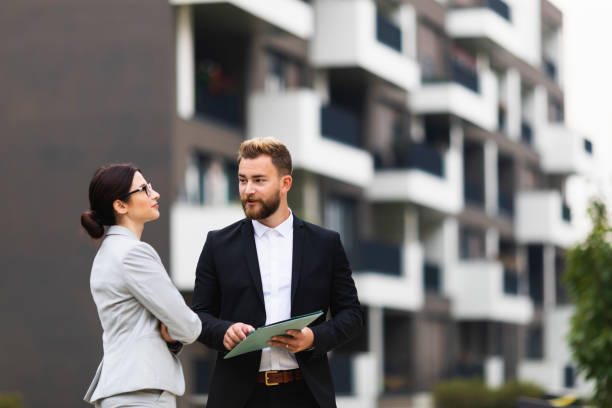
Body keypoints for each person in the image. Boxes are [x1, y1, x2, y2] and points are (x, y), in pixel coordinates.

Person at [192, 138, 363, 408]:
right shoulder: (218, 244)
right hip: (238, 398)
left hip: (305, 394)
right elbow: (199, 316)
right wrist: (224, 331)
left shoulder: (325, 244)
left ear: (285, 184)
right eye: (242, 180)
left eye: (259, 180)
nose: (247, 190)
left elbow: (351, 315)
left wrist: (313, 339)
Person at [80, 163, 202, 408]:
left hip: (125, 391)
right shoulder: (133, 253)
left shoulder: (107, 253)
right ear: (120, 205)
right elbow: (188, 326)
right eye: (144, 189)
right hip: (142, 395)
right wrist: (177, 331)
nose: (154, 194)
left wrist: (171, 335)